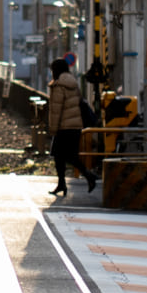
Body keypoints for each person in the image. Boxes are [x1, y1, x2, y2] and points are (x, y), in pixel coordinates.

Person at [44, 56, 90, 196]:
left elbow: (56, 110)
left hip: (64, 127)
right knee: (63, 156)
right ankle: (62, 184)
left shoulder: (59, 86)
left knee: (65, 156)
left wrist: (52, 129)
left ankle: (89, 176)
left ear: (55, 70)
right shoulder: (72, 83)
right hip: (75, 126)